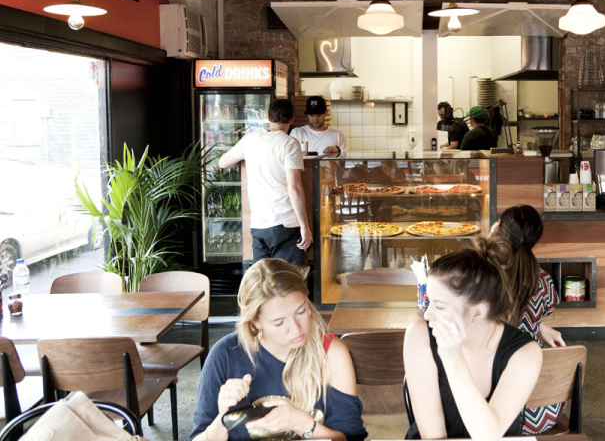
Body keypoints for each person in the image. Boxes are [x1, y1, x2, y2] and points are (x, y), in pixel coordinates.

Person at [190, 259, 367, 441]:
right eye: (279, 322)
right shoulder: (225, 355)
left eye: (301, 311)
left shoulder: (331, 353)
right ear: (256, 322)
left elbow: (350, 438)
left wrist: (302, 424)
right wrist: (222, 421)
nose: (296, 329)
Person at [403, 240, 542, 441]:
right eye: (429, 302)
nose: (427, 315)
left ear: (477, 313)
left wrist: (452, 359)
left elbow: (487, 436)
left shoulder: (524, 353)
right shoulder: (420, 334)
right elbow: (433, 436)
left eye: (439, 306)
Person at [491, 204, 565, 434]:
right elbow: (528, 313)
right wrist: (539, 326)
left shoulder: (485, 277)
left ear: (499, 231)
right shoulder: (544, 280)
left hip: (495, 411)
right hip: (544, 409)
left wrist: (490, 242)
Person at [219, 99, 312, 267]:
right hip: (285, 223)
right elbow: (294, 188)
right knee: (288, 279)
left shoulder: (250, 139)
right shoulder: (289, 143)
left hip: (259, 225)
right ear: (292, 119)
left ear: (268, 116)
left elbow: (223, 162)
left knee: (263, 278)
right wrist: (305, 226)